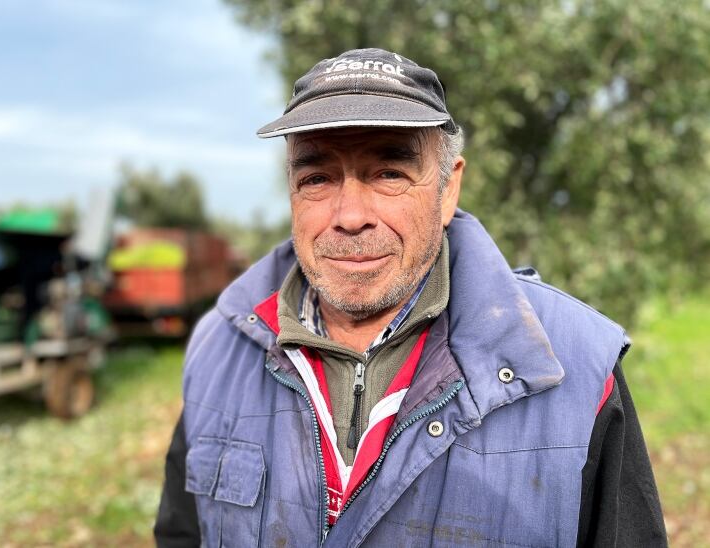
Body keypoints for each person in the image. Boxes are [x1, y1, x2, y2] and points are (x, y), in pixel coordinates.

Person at [154, 48, 667, 547]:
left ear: (448, 190)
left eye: (389, 174)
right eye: (317, 177)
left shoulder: (575, 365)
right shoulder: (220, 347)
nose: (350, 215)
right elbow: (181, 532)